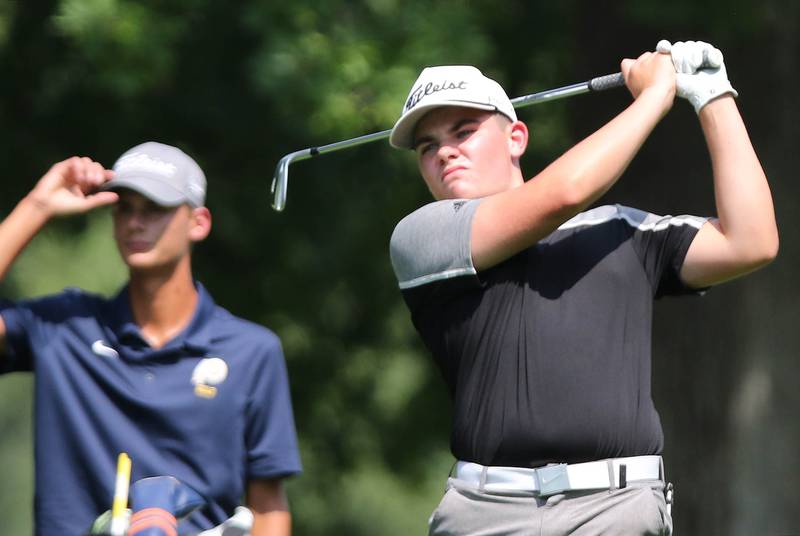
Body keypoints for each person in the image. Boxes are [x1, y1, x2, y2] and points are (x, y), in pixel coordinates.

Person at [387, 40, 778, 535]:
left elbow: (751, 241)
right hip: (487, 512)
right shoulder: (422, 238)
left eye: (464, 131)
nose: (445, 151)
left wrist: (711, 95)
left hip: (615, 509)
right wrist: (654, 98)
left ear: (516, 138)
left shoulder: (621, 230)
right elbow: (563, 193)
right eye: (428, 147)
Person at [0, 142, 302, 535]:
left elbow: (268, 508)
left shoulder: (251, 351)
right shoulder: (64, 327)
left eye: (154, 208)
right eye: (124, 208)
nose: (134, 223)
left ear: (199, 222)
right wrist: (37, 207)